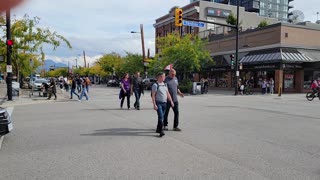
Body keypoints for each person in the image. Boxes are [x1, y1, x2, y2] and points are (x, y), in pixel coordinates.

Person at [152, 72, 174, 137]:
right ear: (158, 77)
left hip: (165, 103)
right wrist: (154, 104)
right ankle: (161, 131)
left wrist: (171, 101)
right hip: (158, 103)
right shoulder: (155, 85)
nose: (164, 78)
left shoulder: (165, 84)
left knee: (161, 117)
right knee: (161, 116)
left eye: (164, 76)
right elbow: (153, 96)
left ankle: (158, 129)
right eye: (162, 76)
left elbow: (167, 94)